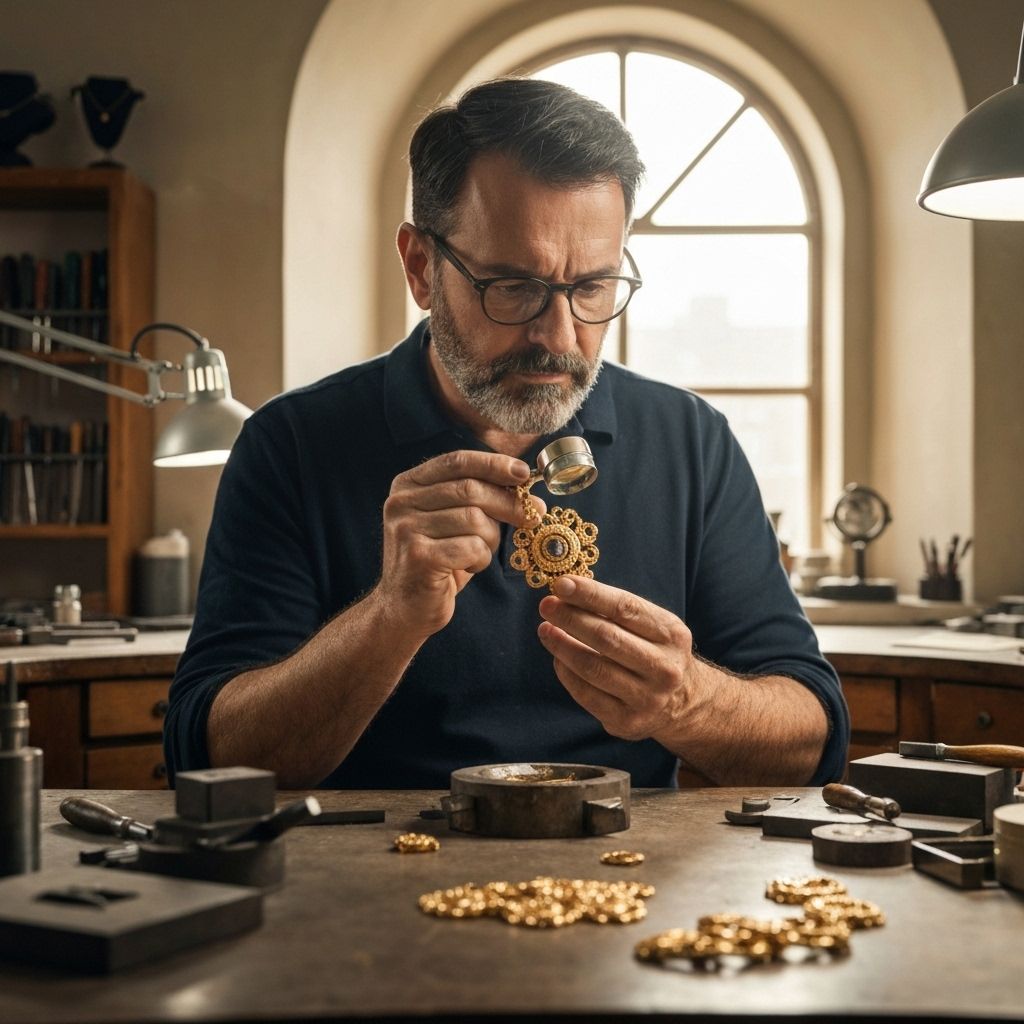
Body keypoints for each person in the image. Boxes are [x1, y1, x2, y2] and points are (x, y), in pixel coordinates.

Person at [165, 77, 849, 790]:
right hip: (367, 880)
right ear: (421, 267)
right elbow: (208, 760)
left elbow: (813, 739)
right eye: (513, 287)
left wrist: (684, 701)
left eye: (592, 288)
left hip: (632, 880)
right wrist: (391, 617)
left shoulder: (692, 442)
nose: (559, 337)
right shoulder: (291, 445)